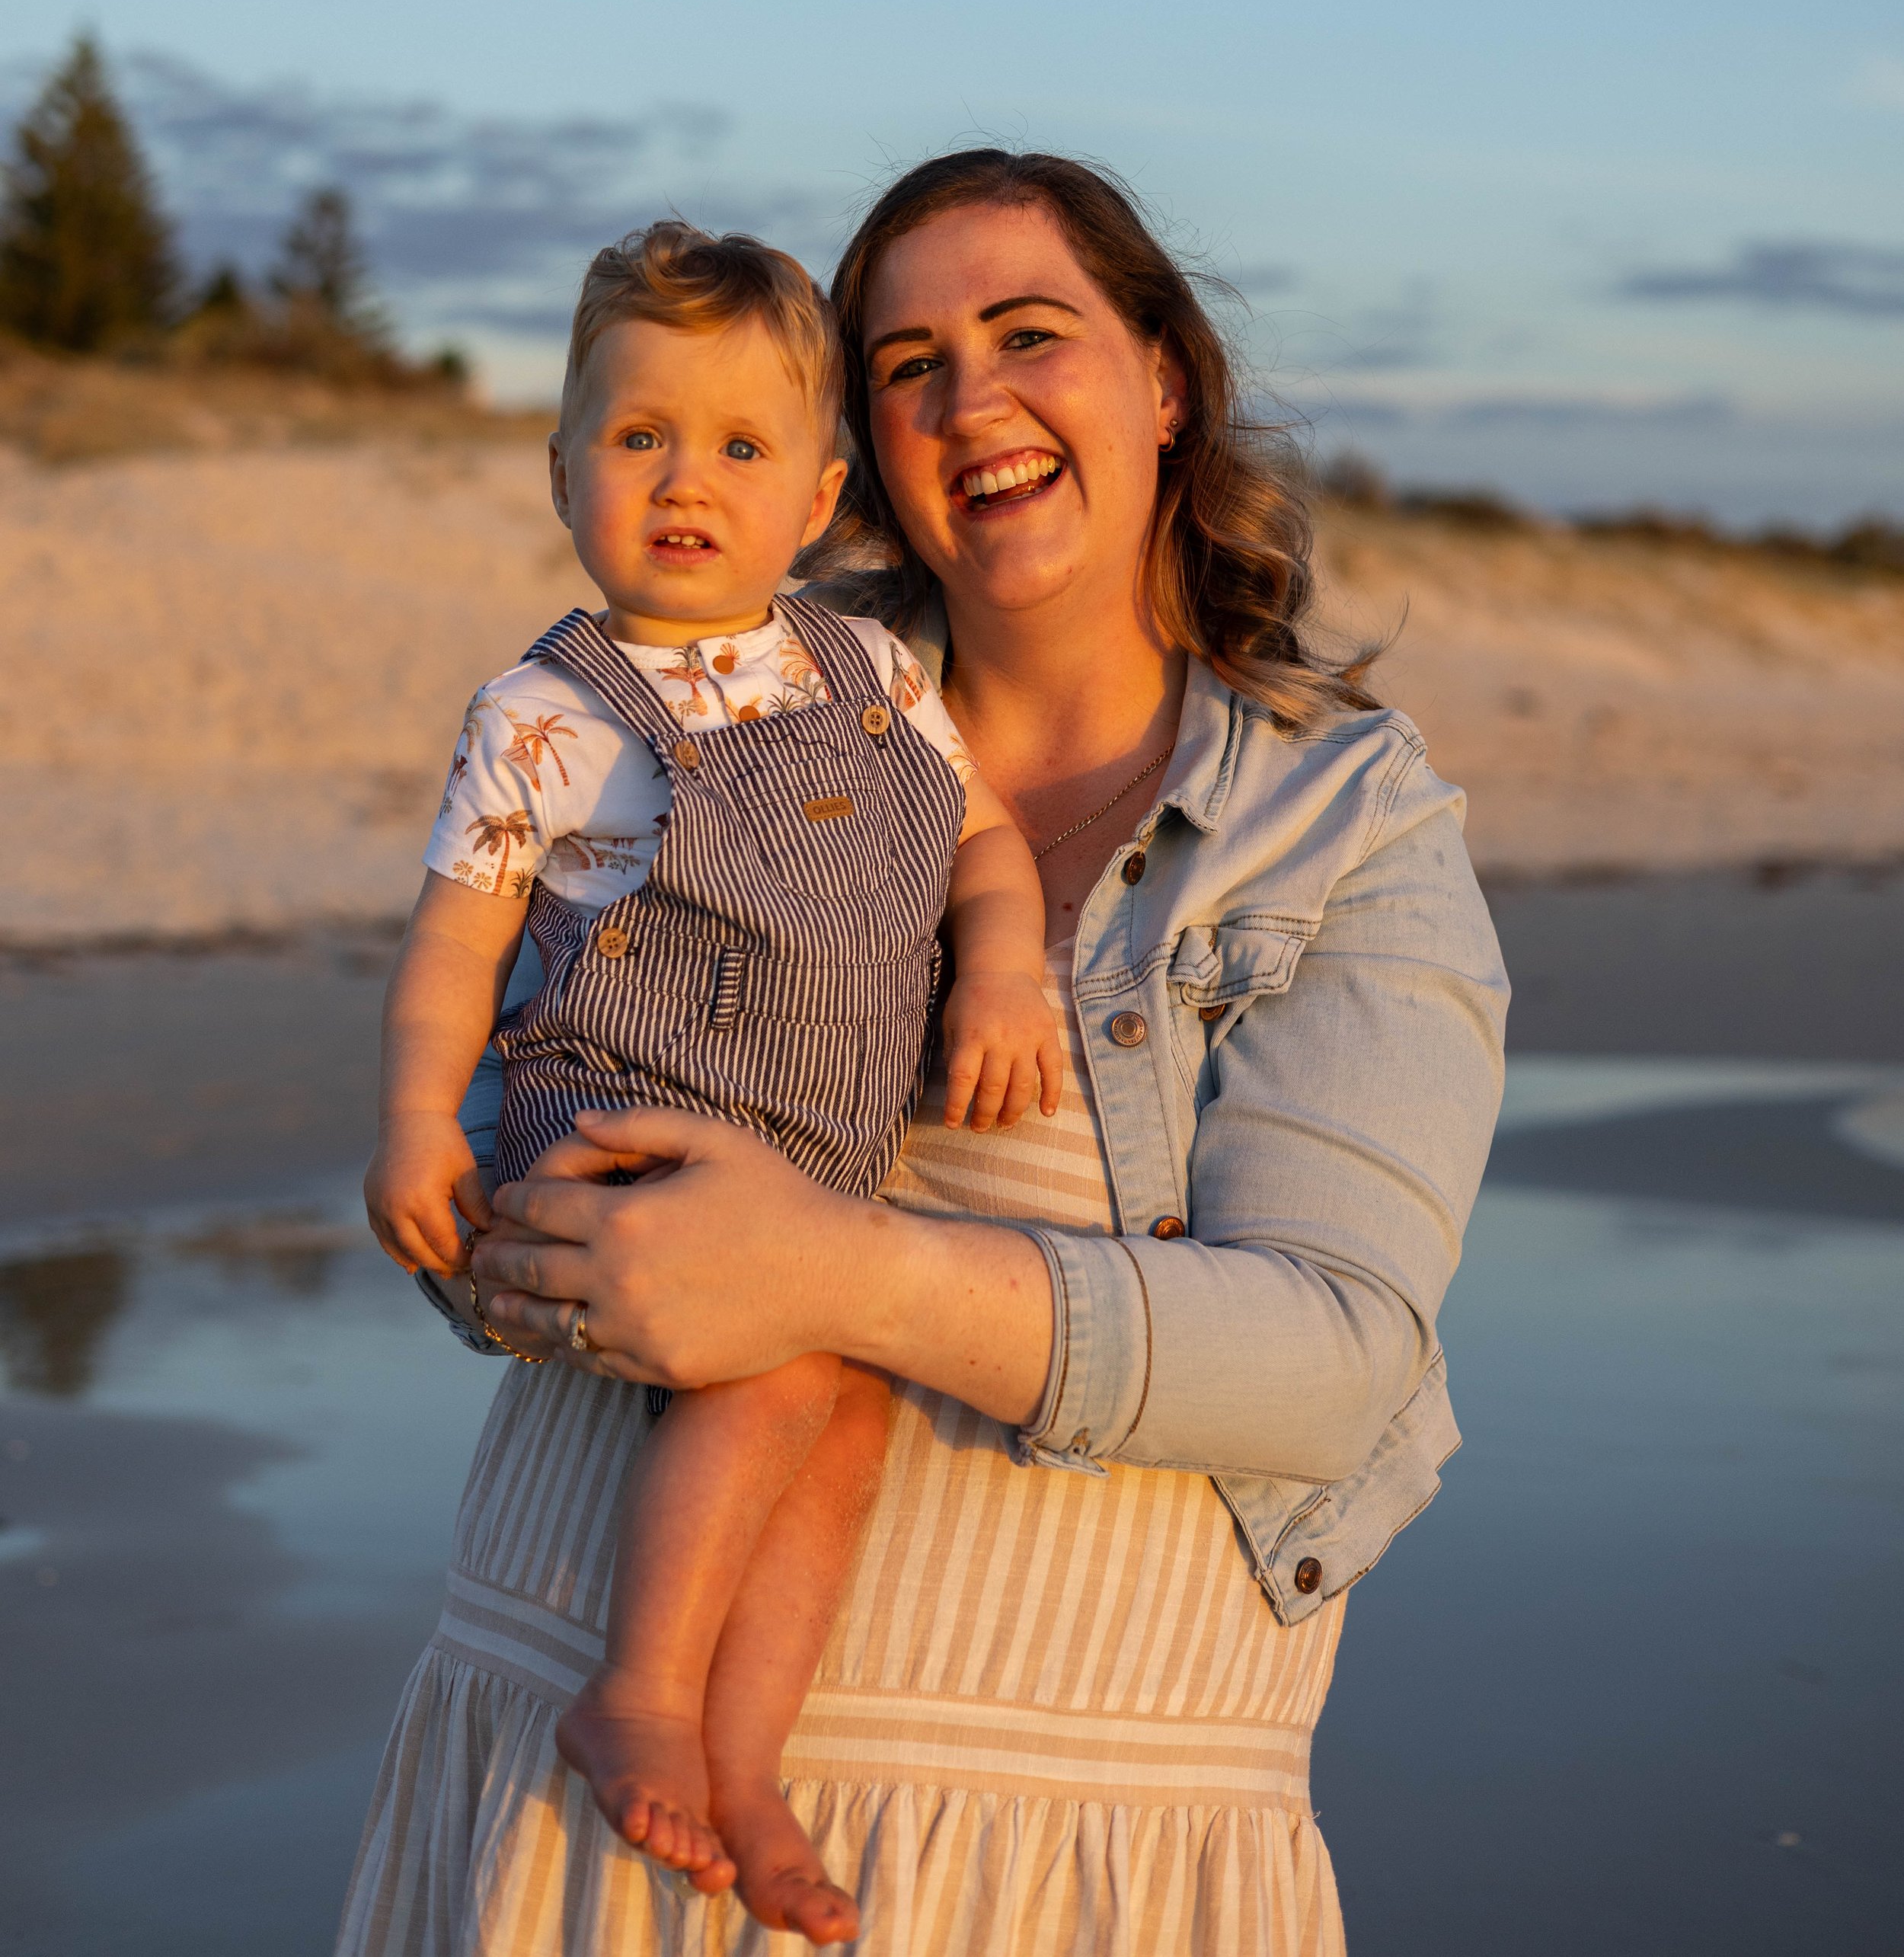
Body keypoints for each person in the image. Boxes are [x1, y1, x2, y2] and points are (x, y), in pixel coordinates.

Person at [338, 149, 1509, 1957]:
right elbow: (489, 1119)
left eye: (1028, 333)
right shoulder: (705, 677)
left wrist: (836, 1279)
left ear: (1162, 379)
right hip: (570, 1764)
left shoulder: (1343, 825)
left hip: (1065, 1859)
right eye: (905, 365)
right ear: (859, 451)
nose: (972, 400)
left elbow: (1333, 1359)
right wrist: (542, 1250)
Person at [360, 219, 1057, 1946]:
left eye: (739, 447)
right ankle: (645, 1693)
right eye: (638, 436)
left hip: (809, 1157)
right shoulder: (543, 710)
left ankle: (742, 1762)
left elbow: (978, 845)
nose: (687, 479)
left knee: (849, 1407)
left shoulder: (870, 670)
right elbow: (459, 948)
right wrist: (407, 1125)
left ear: (818, 497)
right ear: (562, 469)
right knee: (775, 1368)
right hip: (612, 1132)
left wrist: (1010, 967)